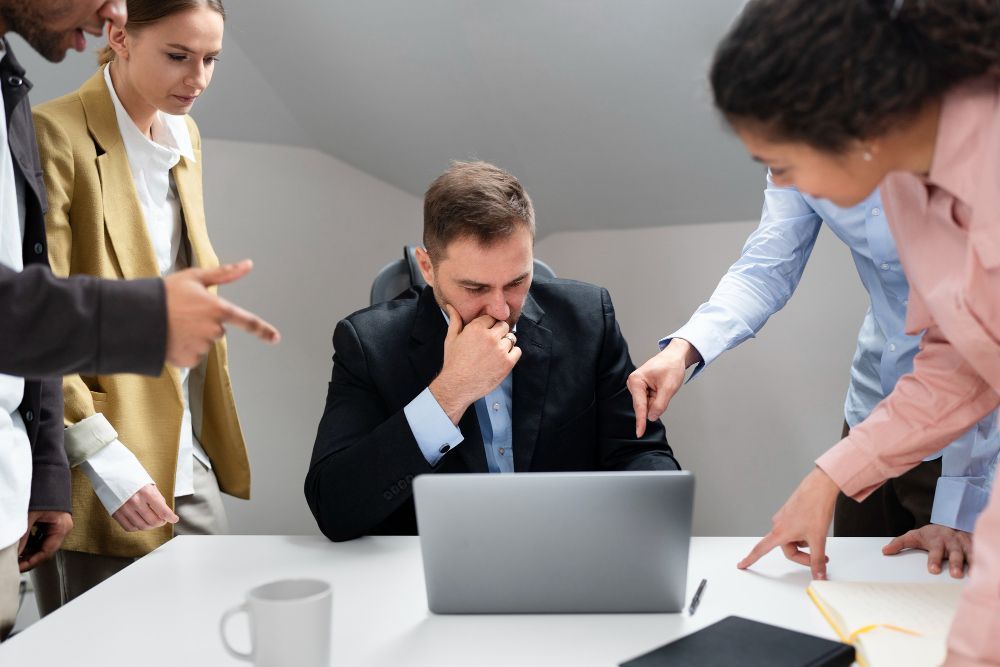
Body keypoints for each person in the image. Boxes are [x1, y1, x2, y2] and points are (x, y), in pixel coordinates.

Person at [706, 0, 1000, 664]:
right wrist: (830, 476)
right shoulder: (903, 186)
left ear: (847, 120)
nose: (780, 184)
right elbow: (964, 353)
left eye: (779, 163)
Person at [0, 0, 278, 640]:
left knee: (217, 638)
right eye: (178, 56)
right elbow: (41, 320)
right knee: (110, 648)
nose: (198, 78)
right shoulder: (54, 135)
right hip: (101, 458)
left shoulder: (188, 138)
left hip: (187, 452)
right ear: (120, 38)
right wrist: (105, 459)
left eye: (211, 59)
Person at [626, 178, 997, 576]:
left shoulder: (964, 154)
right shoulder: (793, 148)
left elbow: (971, 352)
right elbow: (765, 268)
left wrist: (962, 500)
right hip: (872, 406)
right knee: (854, 587)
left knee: (954, 601)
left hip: (970, 433)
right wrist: (684, 349)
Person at [305, 161, 679, 542]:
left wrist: (654, 526)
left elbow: (639, 452)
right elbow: (334, 508)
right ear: (427, 267)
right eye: (475, 288)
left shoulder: (589, 319)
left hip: (568, 550)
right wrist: (450, 392)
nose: (501, 310)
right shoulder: (367, 343)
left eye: (517, 281)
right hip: (428, 569)